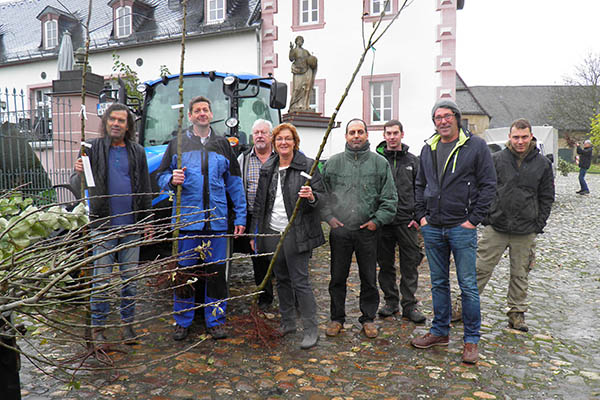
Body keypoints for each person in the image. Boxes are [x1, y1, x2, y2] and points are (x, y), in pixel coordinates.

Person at [411, 99, 496, 364]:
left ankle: (471, 340)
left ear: (457, 118)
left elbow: (489, 185)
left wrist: (473, 220)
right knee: (438, 283)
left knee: (468, 286)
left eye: (447, 116)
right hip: (433, 227)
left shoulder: (476, 146)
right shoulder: (429, 148)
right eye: (437, 118)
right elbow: (419, 185)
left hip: (461, 227)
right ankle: (440, 331)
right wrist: (422, 217)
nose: (442, 121)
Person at [156, 96, 246, 341]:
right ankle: (182, 320)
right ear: (191, 116)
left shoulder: (223, 144)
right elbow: (161, 177)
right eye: (197, 110)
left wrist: (240, 216)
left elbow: (235, 185)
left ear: (211, 113)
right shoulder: (178, 144)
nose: (202, 114)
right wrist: (171, 180)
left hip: (216, 222)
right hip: (188, 222)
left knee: (216, 275)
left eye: (206, 109)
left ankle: (215, 320)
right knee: (185, 272)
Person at [70, 103, 153, 345]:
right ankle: (98, 329)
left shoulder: (137, 151)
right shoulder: (91, 148)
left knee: (130, 281)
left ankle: (128, 326)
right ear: (106, 122)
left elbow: (145, 188)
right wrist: (78, 172)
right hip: (103, 225)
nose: (116, 123)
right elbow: (78, 185)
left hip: (131, 227)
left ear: (128, 126)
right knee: (102, 281)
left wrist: (146, 221)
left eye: (121, 120)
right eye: (112, 119)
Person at [474, 119, 554, 332]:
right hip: (496, 226)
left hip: (525, 229)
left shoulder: (543, 164)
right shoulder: (496, 160)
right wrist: (486, 216)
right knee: (479, 269)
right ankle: (464, 306)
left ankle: (517, 313)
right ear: (510, 137)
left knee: (520, 273)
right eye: (516, 137)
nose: (520, 141)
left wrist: (539, 223)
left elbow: (547, 197)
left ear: (531, 137)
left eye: (524, 137)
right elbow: (483, 188)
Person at [321, 118, 398, 339]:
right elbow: (322, 194)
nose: (356, 136)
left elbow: (390, 198)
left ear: (367, 135)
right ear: (346, 136)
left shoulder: (379, 163)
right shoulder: (333, 163)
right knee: (337, 276)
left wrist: (377, 221)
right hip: (341, 230)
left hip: (368, 230)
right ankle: (337, 318)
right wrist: (329, 217)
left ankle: (368, 318)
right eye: (352, 132)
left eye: (360, 132)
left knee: (368, 277)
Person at [251, 123, 325, 349]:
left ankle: (311, 329)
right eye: (280, 139)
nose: (284, 142)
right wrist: (257, 233)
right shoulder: (269, 168)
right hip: (273, 231)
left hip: (297, 232)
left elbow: (324, 200)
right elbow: (260, 204)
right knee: (281, 278)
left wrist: (312, 196)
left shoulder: (308, 166)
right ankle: (288, 322)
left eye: (288, 139)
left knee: (300, 281)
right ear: (274, 143)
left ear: (295, 142)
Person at [375, 120, 425, 323]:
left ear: (402, 135)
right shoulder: (377, 160)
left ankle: (409, 305)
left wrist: (418, 217)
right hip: (383, 221)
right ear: (384, 135)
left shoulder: (413, 161)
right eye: (389, 133)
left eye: (396, 133)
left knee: (410, 264)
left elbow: (421, 189)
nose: (392, 137)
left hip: (407, 221)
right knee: (385, 264)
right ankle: (390, 302)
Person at [236, 119, 275, 309]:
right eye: (256, 133)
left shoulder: (280, 157)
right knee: (258, 258)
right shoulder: (243, 159)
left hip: (277, 217)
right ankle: (264, 297)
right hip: (254, 217)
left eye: (263, 132)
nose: (259, 136)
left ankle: (288, 295)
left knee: (281, 256)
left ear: (271, 136)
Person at [288, 35, 317, 112]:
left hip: (306, 70)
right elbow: (291, 59)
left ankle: (304, 105)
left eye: (302, 40)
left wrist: (313, 61)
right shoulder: (294, 51)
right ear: (296, 41)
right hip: (297, 70)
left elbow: (311, 60)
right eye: (299, 40)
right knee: (297, 89)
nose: (300, 42)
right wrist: (291, 49)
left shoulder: (305, 51)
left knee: (306, 88)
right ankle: (294, 105)